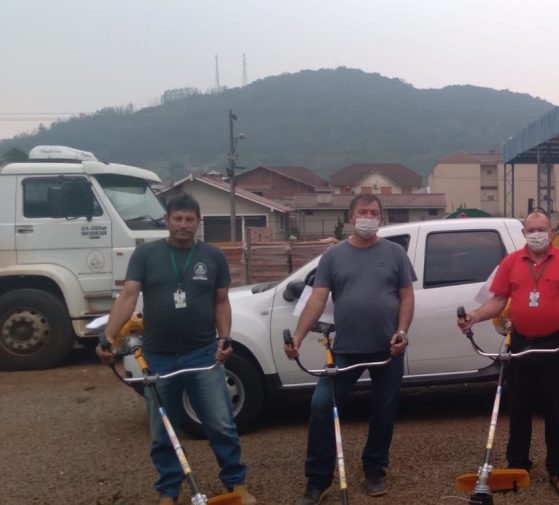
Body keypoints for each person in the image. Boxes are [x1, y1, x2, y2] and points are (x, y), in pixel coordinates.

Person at [96, 194, 256, 505]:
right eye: (178, 218)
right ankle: (168, 492)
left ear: (198, 222)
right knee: (163, 429)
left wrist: (224, 338)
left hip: (203, 354)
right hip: (159, 357)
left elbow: (221, 301)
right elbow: (128, 296)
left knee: (221, 424)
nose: (183, 225)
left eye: (189, 219)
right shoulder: (146, 255)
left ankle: (236, 484)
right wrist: (109, 336)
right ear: (167, 221)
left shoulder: (212, 256)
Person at [285, 193, 414, 504]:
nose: (368, 217)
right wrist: (298, 336)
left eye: (374, 212)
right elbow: (317, 299)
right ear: (351, 217)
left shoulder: (395, 253)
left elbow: (407, 296)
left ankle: (374, 469)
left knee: (384, 410)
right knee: (321, 406)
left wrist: (401, 332)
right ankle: (318, 479)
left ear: (381, 218)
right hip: (345, 349)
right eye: (363, 212)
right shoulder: (333, 256)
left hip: (388, 349)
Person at [457, 209, 559, 497]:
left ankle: (558, 470)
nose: (536, 234)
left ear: (551, 232)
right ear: (524, 233)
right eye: (531, 230)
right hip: (520, 344)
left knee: (555, 409)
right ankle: (518, 467)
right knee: (518, 408)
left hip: (553, 344)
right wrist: (473, 317)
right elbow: (498, 300)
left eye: (542, 229)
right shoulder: (511, 262)